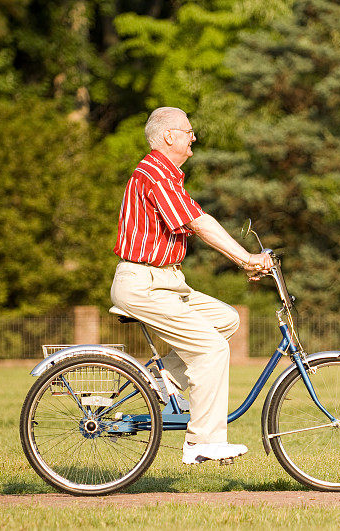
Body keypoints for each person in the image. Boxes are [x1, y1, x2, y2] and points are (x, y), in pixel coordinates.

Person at [110, 107, 273, 464]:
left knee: (226, 319)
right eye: (188, 131)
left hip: (167, 280)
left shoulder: (168, 175)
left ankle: (159, 379)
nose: (193, 137)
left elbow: (195, 219)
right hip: (143, 282)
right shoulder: (153, 174)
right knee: (212, 349)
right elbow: (198, 222)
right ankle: (202, 442)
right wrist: (246, 258)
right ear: (169, 136)